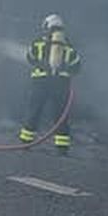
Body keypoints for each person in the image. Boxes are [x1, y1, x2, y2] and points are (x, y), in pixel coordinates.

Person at [19, 13, 82, 154]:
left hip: (40, 83)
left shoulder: (38, 44)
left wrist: (42, 65)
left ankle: (25, 142)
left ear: (47, 27)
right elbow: (77, 66)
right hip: (61, 85)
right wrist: (63, 70)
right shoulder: (69, 48)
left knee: (34, 111)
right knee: (60, 115)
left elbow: (30, 58)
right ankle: (62, 147)